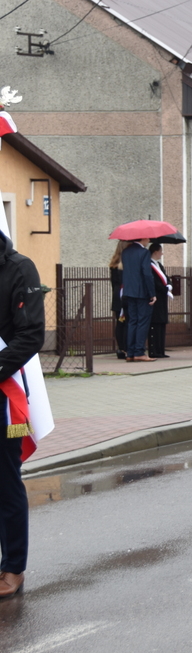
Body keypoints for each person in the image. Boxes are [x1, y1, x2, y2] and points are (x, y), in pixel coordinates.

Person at [0, 229, 45, 599]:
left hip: (2, 393)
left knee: (4, 481)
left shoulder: (19, 269)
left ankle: (13, 566)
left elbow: (30, 335)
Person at [121, 237, 157, 362]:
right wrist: (152, 293)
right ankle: (139, 352)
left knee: (132, 322)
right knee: (142, 322)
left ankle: (130, 353)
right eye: (148, 238)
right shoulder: (144, 252)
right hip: (142, 292)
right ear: (143, 238)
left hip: (129, 291)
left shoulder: (126, 251)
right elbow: (146, 273)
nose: (149, 240)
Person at [147, 243, 170, 358]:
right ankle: (154, 350)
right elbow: (154, 282)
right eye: (160, 251)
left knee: (162, 323)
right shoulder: (149, 265)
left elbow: (166, 278)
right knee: (155, 324)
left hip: (162, 297)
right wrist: (164, 288)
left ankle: (161, 350)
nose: (162, 253)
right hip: (155, 297)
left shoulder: (159, 265)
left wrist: (169, 286)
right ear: (155, 252)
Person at [108, 241, 129, 359]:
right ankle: (125, 347)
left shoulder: (113, 264)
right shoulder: (125, 264)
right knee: (126, 322)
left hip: (117, 295)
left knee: (120, 323)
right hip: (124, 294)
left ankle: (120, 348)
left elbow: (114, 283)